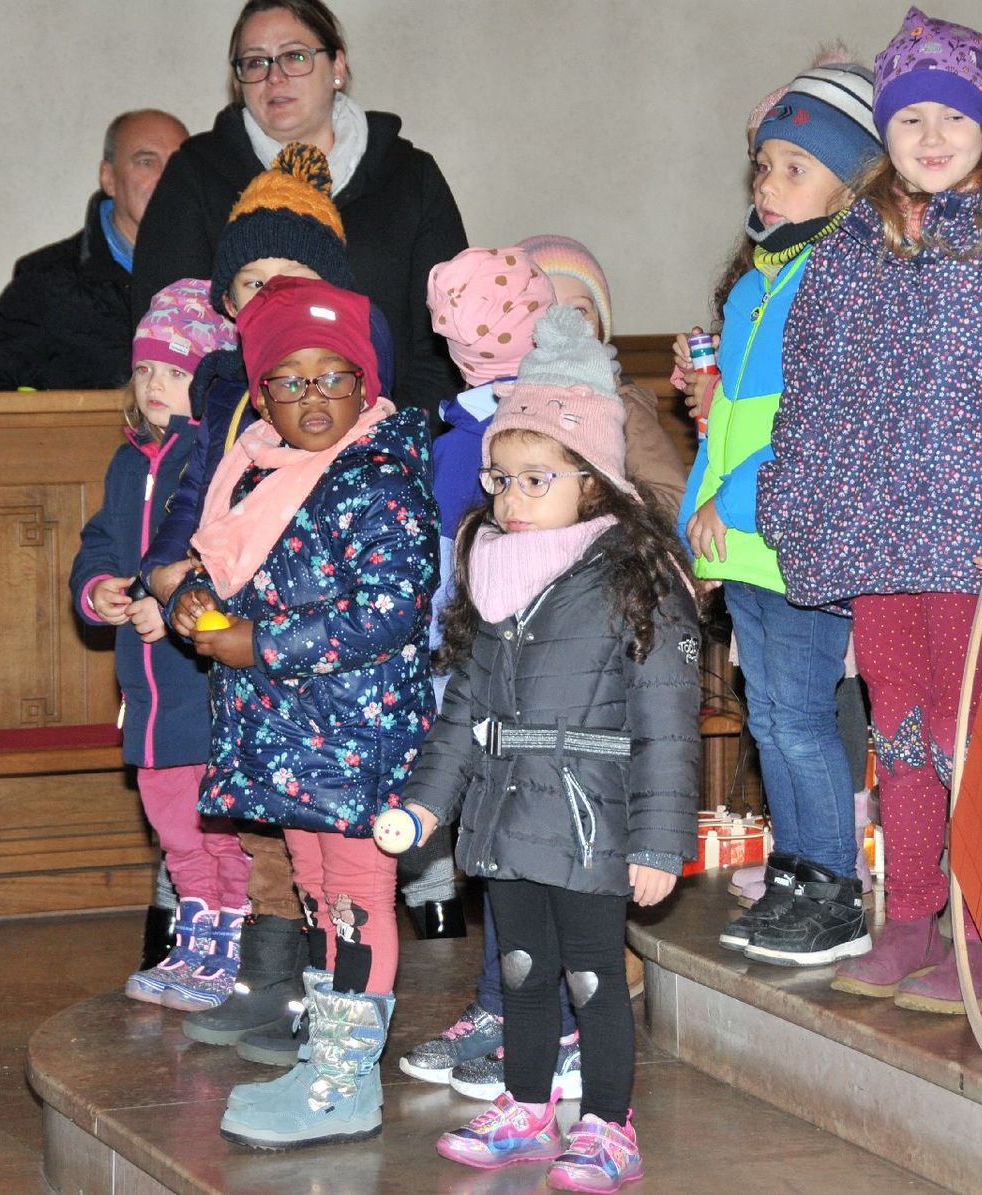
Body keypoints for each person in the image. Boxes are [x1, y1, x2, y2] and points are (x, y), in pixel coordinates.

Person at [760, 8, 982, 1013]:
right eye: (911, 120)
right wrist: (795, 499)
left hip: (972, 538)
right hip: (877, 533)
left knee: (970, 730)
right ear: (887, 133)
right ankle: (910, 912)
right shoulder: (850, 248)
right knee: (901, 725)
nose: (933, 137)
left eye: (954, 118)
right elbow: (811, 385)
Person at [399, 305, 699, 1193]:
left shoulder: (636, 578)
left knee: (594, 977)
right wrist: (427, 803)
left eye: (536, 479)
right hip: (505, 814)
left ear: (594, 482)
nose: (511, 500)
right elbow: (463, 713)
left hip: (591, 818)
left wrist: (660, 842)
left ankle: (607, 1124)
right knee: (521, 968)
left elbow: (668, 723)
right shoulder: (494, 577)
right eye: (501, 480)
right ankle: (528, 1105)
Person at [171, 275, 435, 1150]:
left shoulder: (378, 478)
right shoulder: (259, 472)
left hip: (357, 739)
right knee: (320, 896)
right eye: (289, 380)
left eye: (332, 376)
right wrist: (199, 600)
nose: (312, 396)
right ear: (260, 395)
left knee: (356, 902)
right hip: (296, 740)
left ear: (366, 384)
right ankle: (328, 1056)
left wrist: (261, 644)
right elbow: (239, 569)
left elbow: (389, 609)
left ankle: (345, 1085)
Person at [673, 57, 882, 968]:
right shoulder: (759, 282)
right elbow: (726, 422)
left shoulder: (842, 279)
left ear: (854, 185)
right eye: (765, 164)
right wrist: (697, 517)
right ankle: (797, 874)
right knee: (770, 721)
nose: (769, 181)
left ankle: (834, 888)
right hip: (746, 541)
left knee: (798, 719)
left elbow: (825, 424)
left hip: (801, 538)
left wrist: (735, 500)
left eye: (796, 166)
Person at [131, 0, 465, 412]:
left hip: (394, 430)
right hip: (237, 435)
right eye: (255, 62)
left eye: (295, 56)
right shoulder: (195, 174)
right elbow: (170, 332)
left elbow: (446, 340)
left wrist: (390, 434)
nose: (274, 77)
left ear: (337, 67)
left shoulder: (410, 175)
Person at [69, 280, 251, 1011]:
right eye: (145, 368)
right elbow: (100, 542)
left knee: (218, 825)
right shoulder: (128, 463)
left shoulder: (217, 461)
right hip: (144, 691)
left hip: (198, 684)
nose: (154, 384)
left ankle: (230, 940)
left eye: (175, 371)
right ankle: (193, 933)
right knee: (173, 825)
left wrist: (167, 601)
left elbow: (226, 560)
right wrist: (100, 589)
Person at [0, 109, 186, 391]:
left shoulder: (219, 272)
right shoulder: (48, 280)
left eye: (179, 163)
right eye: (146, 162)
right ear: (108, 178)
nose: (167, 177)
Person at [517, 234, 689, 517]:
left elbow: (670, 500)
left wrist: (598, 516)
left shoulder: (623, 406)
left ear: (600, 326)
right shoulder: (504, 402)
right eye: (548, 310)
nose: (566, 324)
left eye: (579, 310)